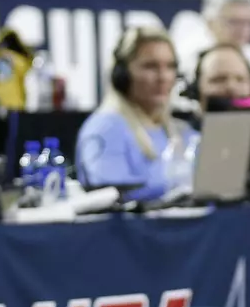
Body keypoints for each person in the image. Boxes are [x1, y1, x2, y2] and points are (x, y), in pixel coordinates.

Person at [77, 26, 196, 201]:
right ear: (122, 75)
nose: (163, 77)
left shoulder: (180, 131)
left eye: (170, 66)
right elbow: (112, 194)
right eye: (150, 66)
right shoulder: (105, 128)